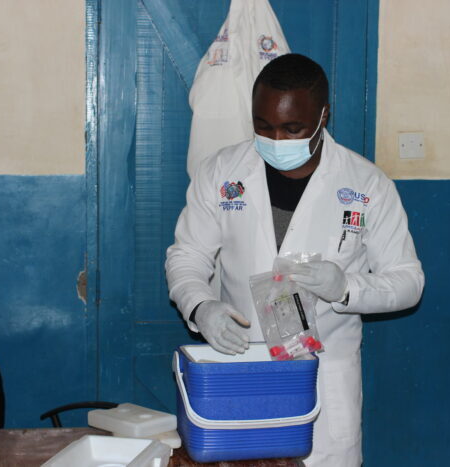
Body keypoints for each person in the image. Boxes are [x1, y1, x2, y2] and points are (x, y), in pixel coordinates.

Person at [166, 53, 424, 466]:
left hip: (323, 379)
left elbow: (409, 282)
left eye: (292, 128)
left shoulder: (366, 184)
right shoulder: (221, 173)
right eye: (263, 127)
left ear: (323, 116)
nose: (277, 141)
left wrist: (347, 288)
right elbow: (187, 255)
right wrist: (201, 305)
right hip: (241, 373)